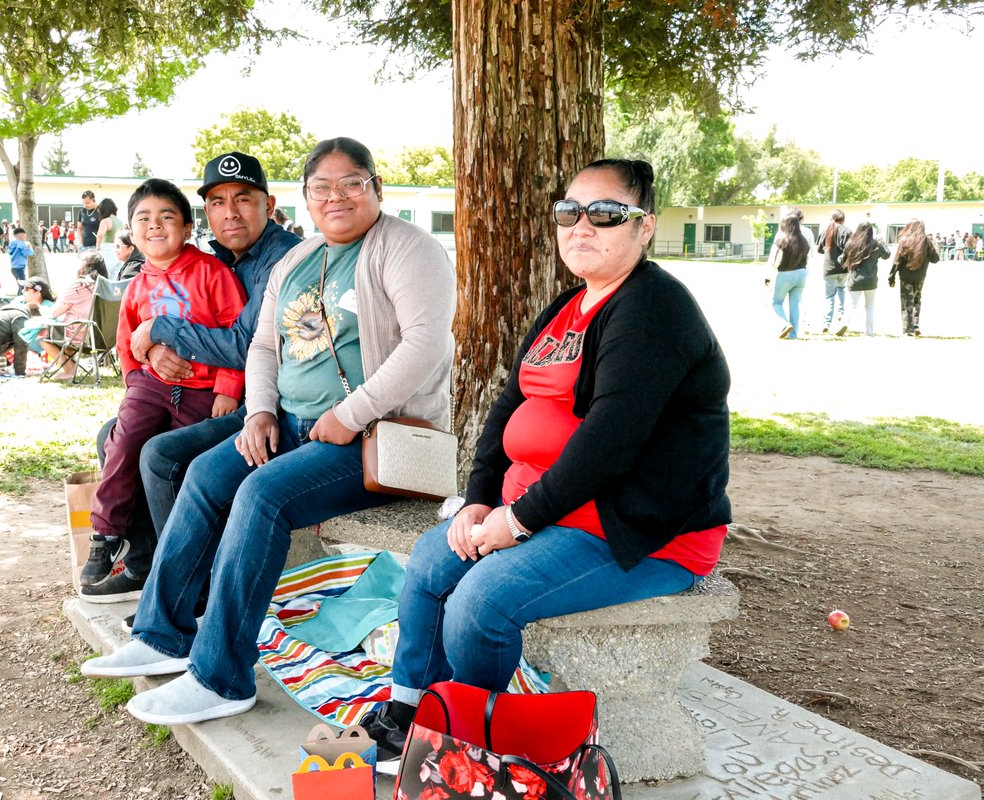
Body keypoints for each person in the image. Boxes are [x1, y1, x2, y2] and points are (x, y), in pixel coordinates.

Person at [353, 159, 731, 770]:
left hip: (635, 530)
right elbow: (508, 406)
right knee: (430, 560)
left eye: (606, 214)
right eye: (569, 212)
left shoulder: (653, 310)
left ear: (645, 227)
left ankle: (472, 748)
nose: (583, 226)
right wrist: (479, 498)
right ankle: (410, 712)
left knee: (482, 602)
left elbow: (611, 442)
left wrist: (518, 520)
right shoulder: (568, 305)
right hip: (547, 510)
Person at [81, 137, 456, 730]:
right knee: (205, 472)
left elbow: (424, 346)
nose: (336, 197)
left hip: (377, 438)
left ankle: (221, 677)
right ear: (305, 199)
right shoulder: (297, 258)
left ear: (376, 188)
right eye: (321, 187)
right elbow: (261, 345)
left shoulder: (408, 249)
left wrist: (350, 415)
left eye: (352, 183)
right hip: (290, 423)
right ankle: (163, 634)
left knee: (262, 495)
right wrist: (259, 412)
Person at [82, 151, 300, 605]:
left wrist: (162, 333)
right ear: (205, 215)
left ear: (270, 204)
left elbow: (243, 344)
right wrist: (154, 353)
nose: (230, 212)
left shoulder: (280, 259)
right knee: (113, 435)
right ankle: (144, 562)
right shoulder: (213, 256)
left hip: (267, 406)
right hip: (192, 391)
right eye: (217, 202)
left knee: (160, 453)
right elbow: (136, 333)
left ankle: (185, 586)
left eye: (243, 199)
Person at [35, 251, 109, 381]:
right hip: (104, 337)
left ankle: (69, 369)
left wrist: (39, 307)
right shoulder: (106, 286)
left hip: (81, 334)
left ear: (84, 265)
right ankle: (68, 365)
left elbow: (53, 313)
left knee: (42, 334)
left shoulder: (80, 286)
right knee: (65, 334)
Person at [888, 219, 940, 337]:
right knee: (917, 300)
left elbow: (897, 260)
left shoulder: (905, 240)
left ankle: (908, 329)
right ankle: (916, 325)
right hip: (920, 277)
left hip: (905, 276)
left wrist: (891, 276)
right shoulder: (927, 241)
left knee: (906, 302)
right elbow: (935, 259)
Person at [840, 222, 890, 337]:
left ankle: (844, 323)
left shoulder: (851, 243)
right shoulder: (876, 245)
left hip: (854, 280)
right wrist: (882, 242)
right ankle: (869, 332)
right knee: (869, 307)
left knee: (851, 305)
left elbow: (841, 260)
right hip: (871, 281)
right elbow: (887, 255)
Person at [766, 214, 809, 339]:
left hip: (785, 274)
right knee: (795, 305)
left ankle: (784, 324)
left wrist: (768, 277)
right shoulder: (804, 241)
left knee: (776, 303)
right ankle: (793, 334)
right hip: (802, 275)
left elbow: (773, 261)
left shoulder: (782, 241)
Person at [816, 210, 851, 335]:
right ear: (843, 219)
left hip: (828, 268)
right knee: (841, 290)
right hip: (843, 268)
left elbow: (819, 249)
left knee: (829, 296)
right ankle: (840, 316)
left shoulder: (825, 230)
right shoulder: (847, 231)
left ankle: (826, 323)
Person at [95, 198, 121, 272]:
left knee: (105, 274)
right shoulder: (119, 221)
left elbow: (100, 234)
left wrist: (97, 247)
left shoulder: (106, 221)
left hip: (107, 250)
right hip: (118, 250)